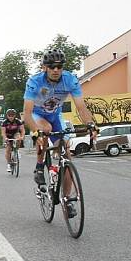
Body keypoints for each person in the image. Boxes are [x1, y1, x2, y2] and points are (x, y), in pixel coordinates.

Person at [23, 49, 97, 216]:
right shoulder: (34, 81)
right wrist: (35, 132)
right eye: (51, 66)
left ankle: (67, 200)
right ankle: (39, 167)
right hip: (37, 114)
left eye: (59, 66)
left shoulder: (70, 80)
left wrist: (91, 125)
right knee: (45, 131)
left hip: (56, 115)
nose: (56, 70)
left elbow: (81, 107)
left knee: (66, 156)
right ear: (45, 68)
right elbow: (26, 114)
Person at [1, 109, 25, 173]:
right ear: (7, 116)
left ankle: (17, 150)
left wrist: (22, 137)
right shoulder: (4, 122)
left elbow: (22, 130)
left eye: (12, 115)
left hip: (15, 134)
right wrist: (5, 138)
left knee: (18, 137)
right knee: (8, 150)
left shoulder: (18, 121)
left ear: (14, 115)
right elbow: (3, 132)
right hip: (7, 135)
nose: (11, 117)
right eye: (9, 115)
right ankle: (9, 164)